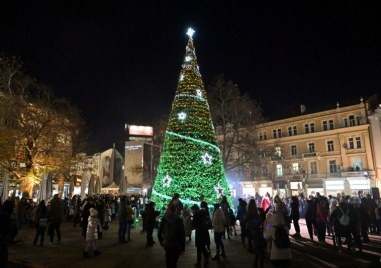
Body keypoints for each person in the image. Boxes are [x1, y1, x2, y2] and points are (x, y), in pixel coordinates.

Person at [158, 201, 185, 268]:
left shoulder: (164, 219)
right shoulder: (179, 220)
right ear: (175, 210)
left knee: (168, 259)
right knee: (174, 262)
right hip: (176, 243)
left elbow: (159, 232)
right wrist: (183, 247)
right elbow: (182, 234)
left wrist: (161, 242)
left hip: (167, 242)